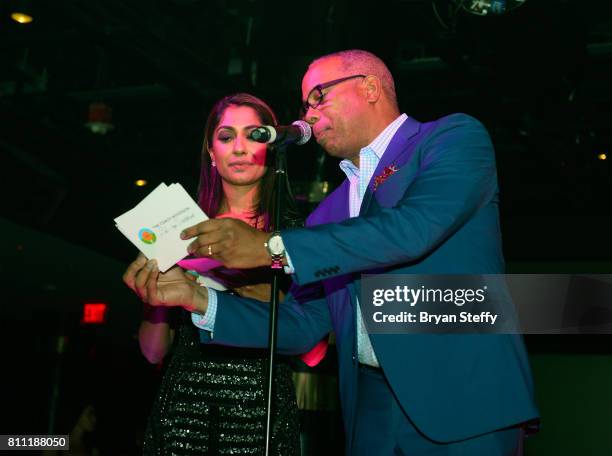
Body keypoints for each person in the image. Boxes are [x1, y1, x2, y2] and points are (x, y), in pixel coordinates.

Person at [126, 50, 540, 455]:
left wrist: (271, 247)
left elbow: (414, 229)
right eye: (305, 104)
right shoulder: (328, 212)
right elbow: (303, 325)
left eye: (318, 97)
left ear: (372, 88)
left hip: (463, 396)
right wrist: (196, 297)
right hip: (371, 409)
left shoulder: (449, 138)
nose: (308, 115)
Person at [130, 93, 302, 455]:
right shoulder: (181, 232)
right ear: (211, 152)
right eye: (226, 137)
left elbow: (312, 343)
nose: (239, 147)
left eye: (253, 135)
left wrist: (232, 275)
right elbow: (151, 351)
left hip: (261, 409)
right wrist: (155, 297)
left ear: (270, 146)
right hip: (184, 410)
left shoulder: (295, 234)